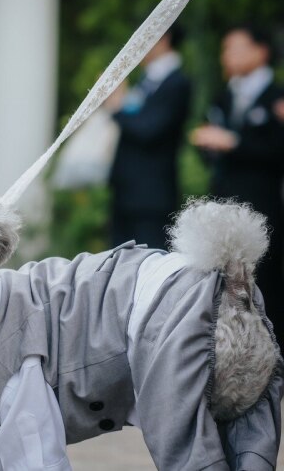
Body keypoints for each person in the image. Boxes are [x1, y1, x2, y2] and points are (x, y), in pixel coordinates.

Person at [191, 24, 284, 349]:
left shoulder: (277, 97)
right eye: (225, 49)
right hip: (223, 203)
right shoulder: (223, 94)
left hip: (265, 206)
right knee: (224, 281)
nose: (226, 56)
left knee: (265, 282)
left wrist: (233, 142)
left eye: (235, 47)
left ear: (261, 50)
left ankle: (271, 357)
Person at [105, 25, 191, 249]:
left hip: (152, 195)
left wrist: (117, 109)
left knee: (148, 260)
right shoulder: (145, 80)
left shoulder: (177, 83)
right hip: (127, 191)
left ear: (163, 39)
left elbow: (150, 130)